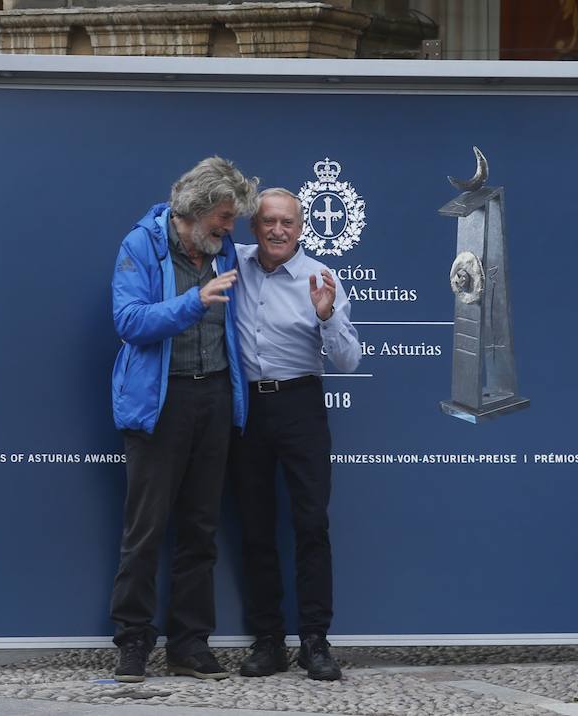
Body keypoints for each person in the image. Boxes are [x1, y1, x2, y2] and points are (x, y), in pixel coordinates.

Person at [109, 157, 258, 683]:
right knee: (145, 530)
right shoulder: (142, 246)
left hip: (213, 398)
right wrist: (192, 302)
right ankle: (132, 642)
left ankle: (189, 645)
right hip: (159, 403)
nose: (229, 227)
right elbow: (128, 322)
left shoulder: (227, 252)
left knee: (201, 529)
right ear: (194, 212)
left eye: (232, 218)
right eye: (223, 216)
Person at [230, 188, 361, 681]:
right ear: (253, 227)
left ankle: (314, 641)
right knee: (256, 526)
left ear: (301, 228)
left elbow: (349, 360)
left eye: (287, 222)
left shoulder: (320, 277)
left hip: (301, 405)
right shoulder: (233, 262)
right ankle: (268, 641)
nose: (278, 230)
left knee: (310, 524)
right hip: (247, 409)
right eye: (268, 222)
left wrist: (326, 315)